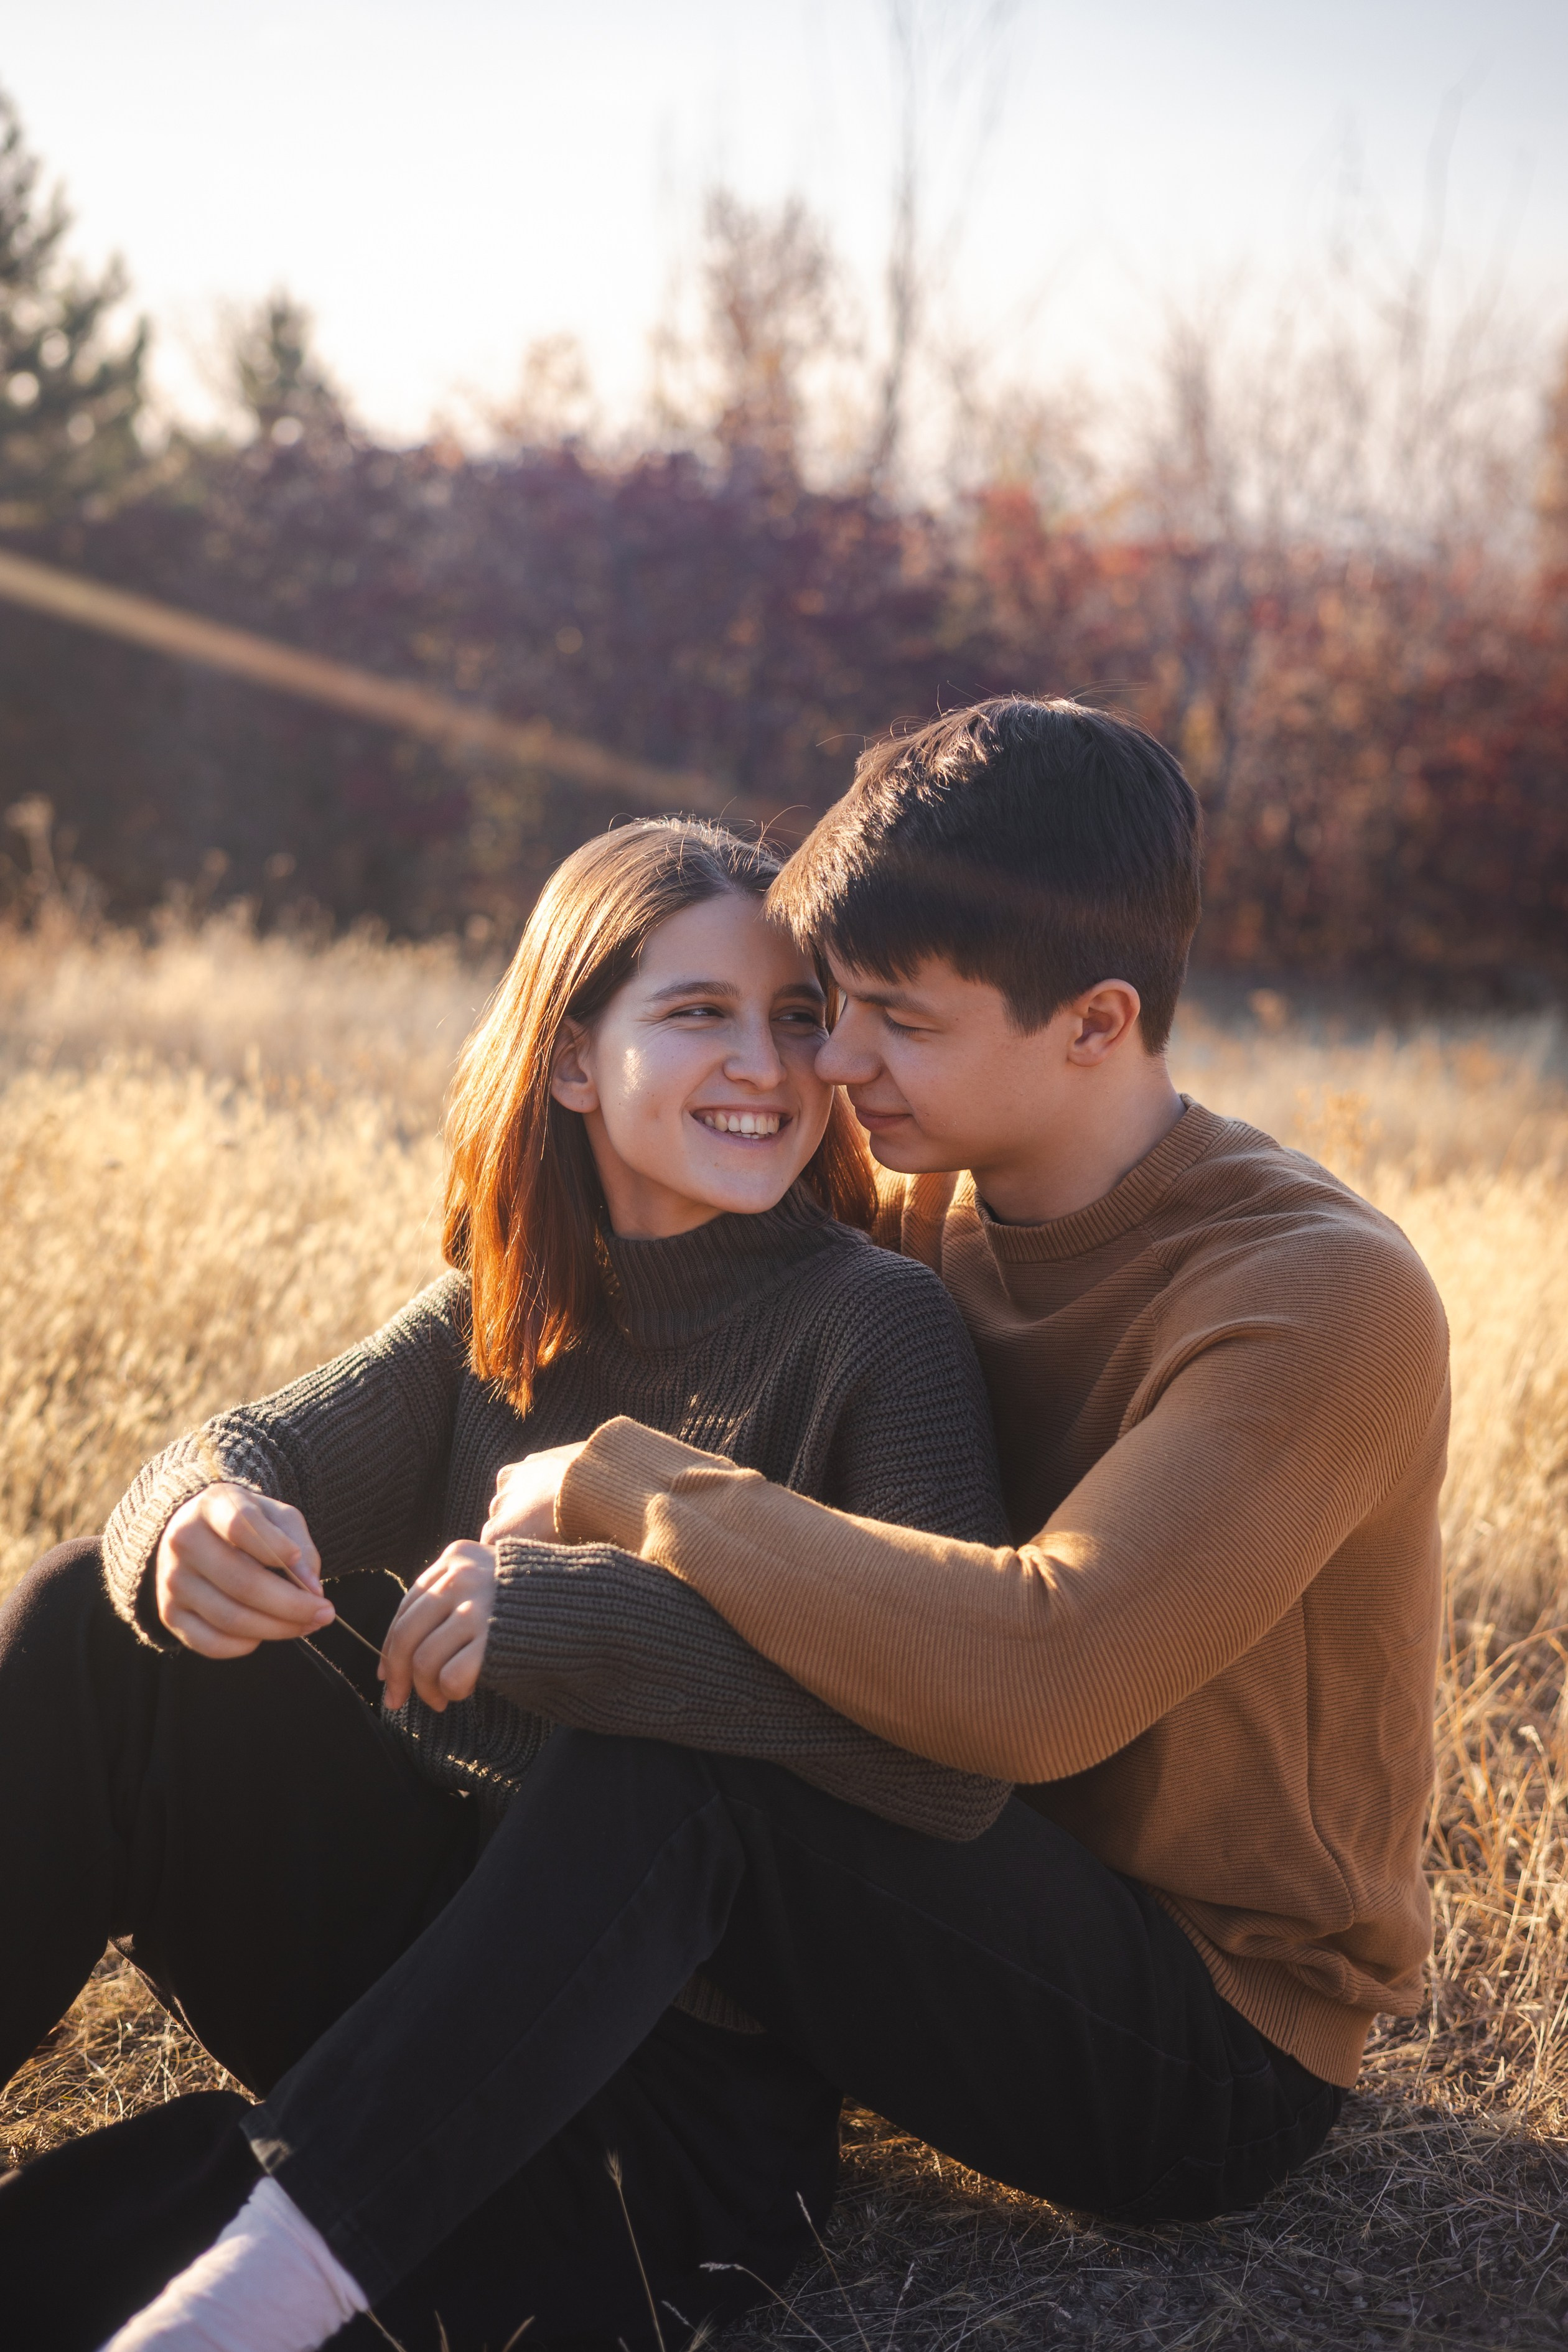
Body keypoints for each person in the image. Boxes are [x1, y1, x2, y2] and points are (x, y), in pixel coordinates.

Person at [16, 696, 1450, 2352]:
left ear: (1096, 1022)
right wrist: (197, 1516)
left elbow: (1034, 1685)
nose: (824, 1065)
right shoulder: (922, 1200)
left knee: (686, 1768)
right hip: (816, 1908)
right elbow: (397, 1390)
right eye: (835, 1008)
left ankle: (256, 2301)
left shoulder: (1315, 1294)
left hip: (1192, 2024)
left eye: (887, 1021)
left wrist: (626, 1496)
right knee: (88, 1613)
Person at [0, 818, 1013, 2350]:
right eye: (701, 1012)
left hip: (662, 2114)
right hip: (425, 1964)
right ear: (574, 1061)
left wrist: (566, 1619)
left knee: (94, 2272)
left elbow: (949, 1758)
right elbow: (249, 1445)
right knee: (95, 1609)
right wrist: (195, 1522)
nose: (768, 1064)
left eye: (798, 1016)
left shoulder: (879, 1331)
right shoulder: (510, 1303)